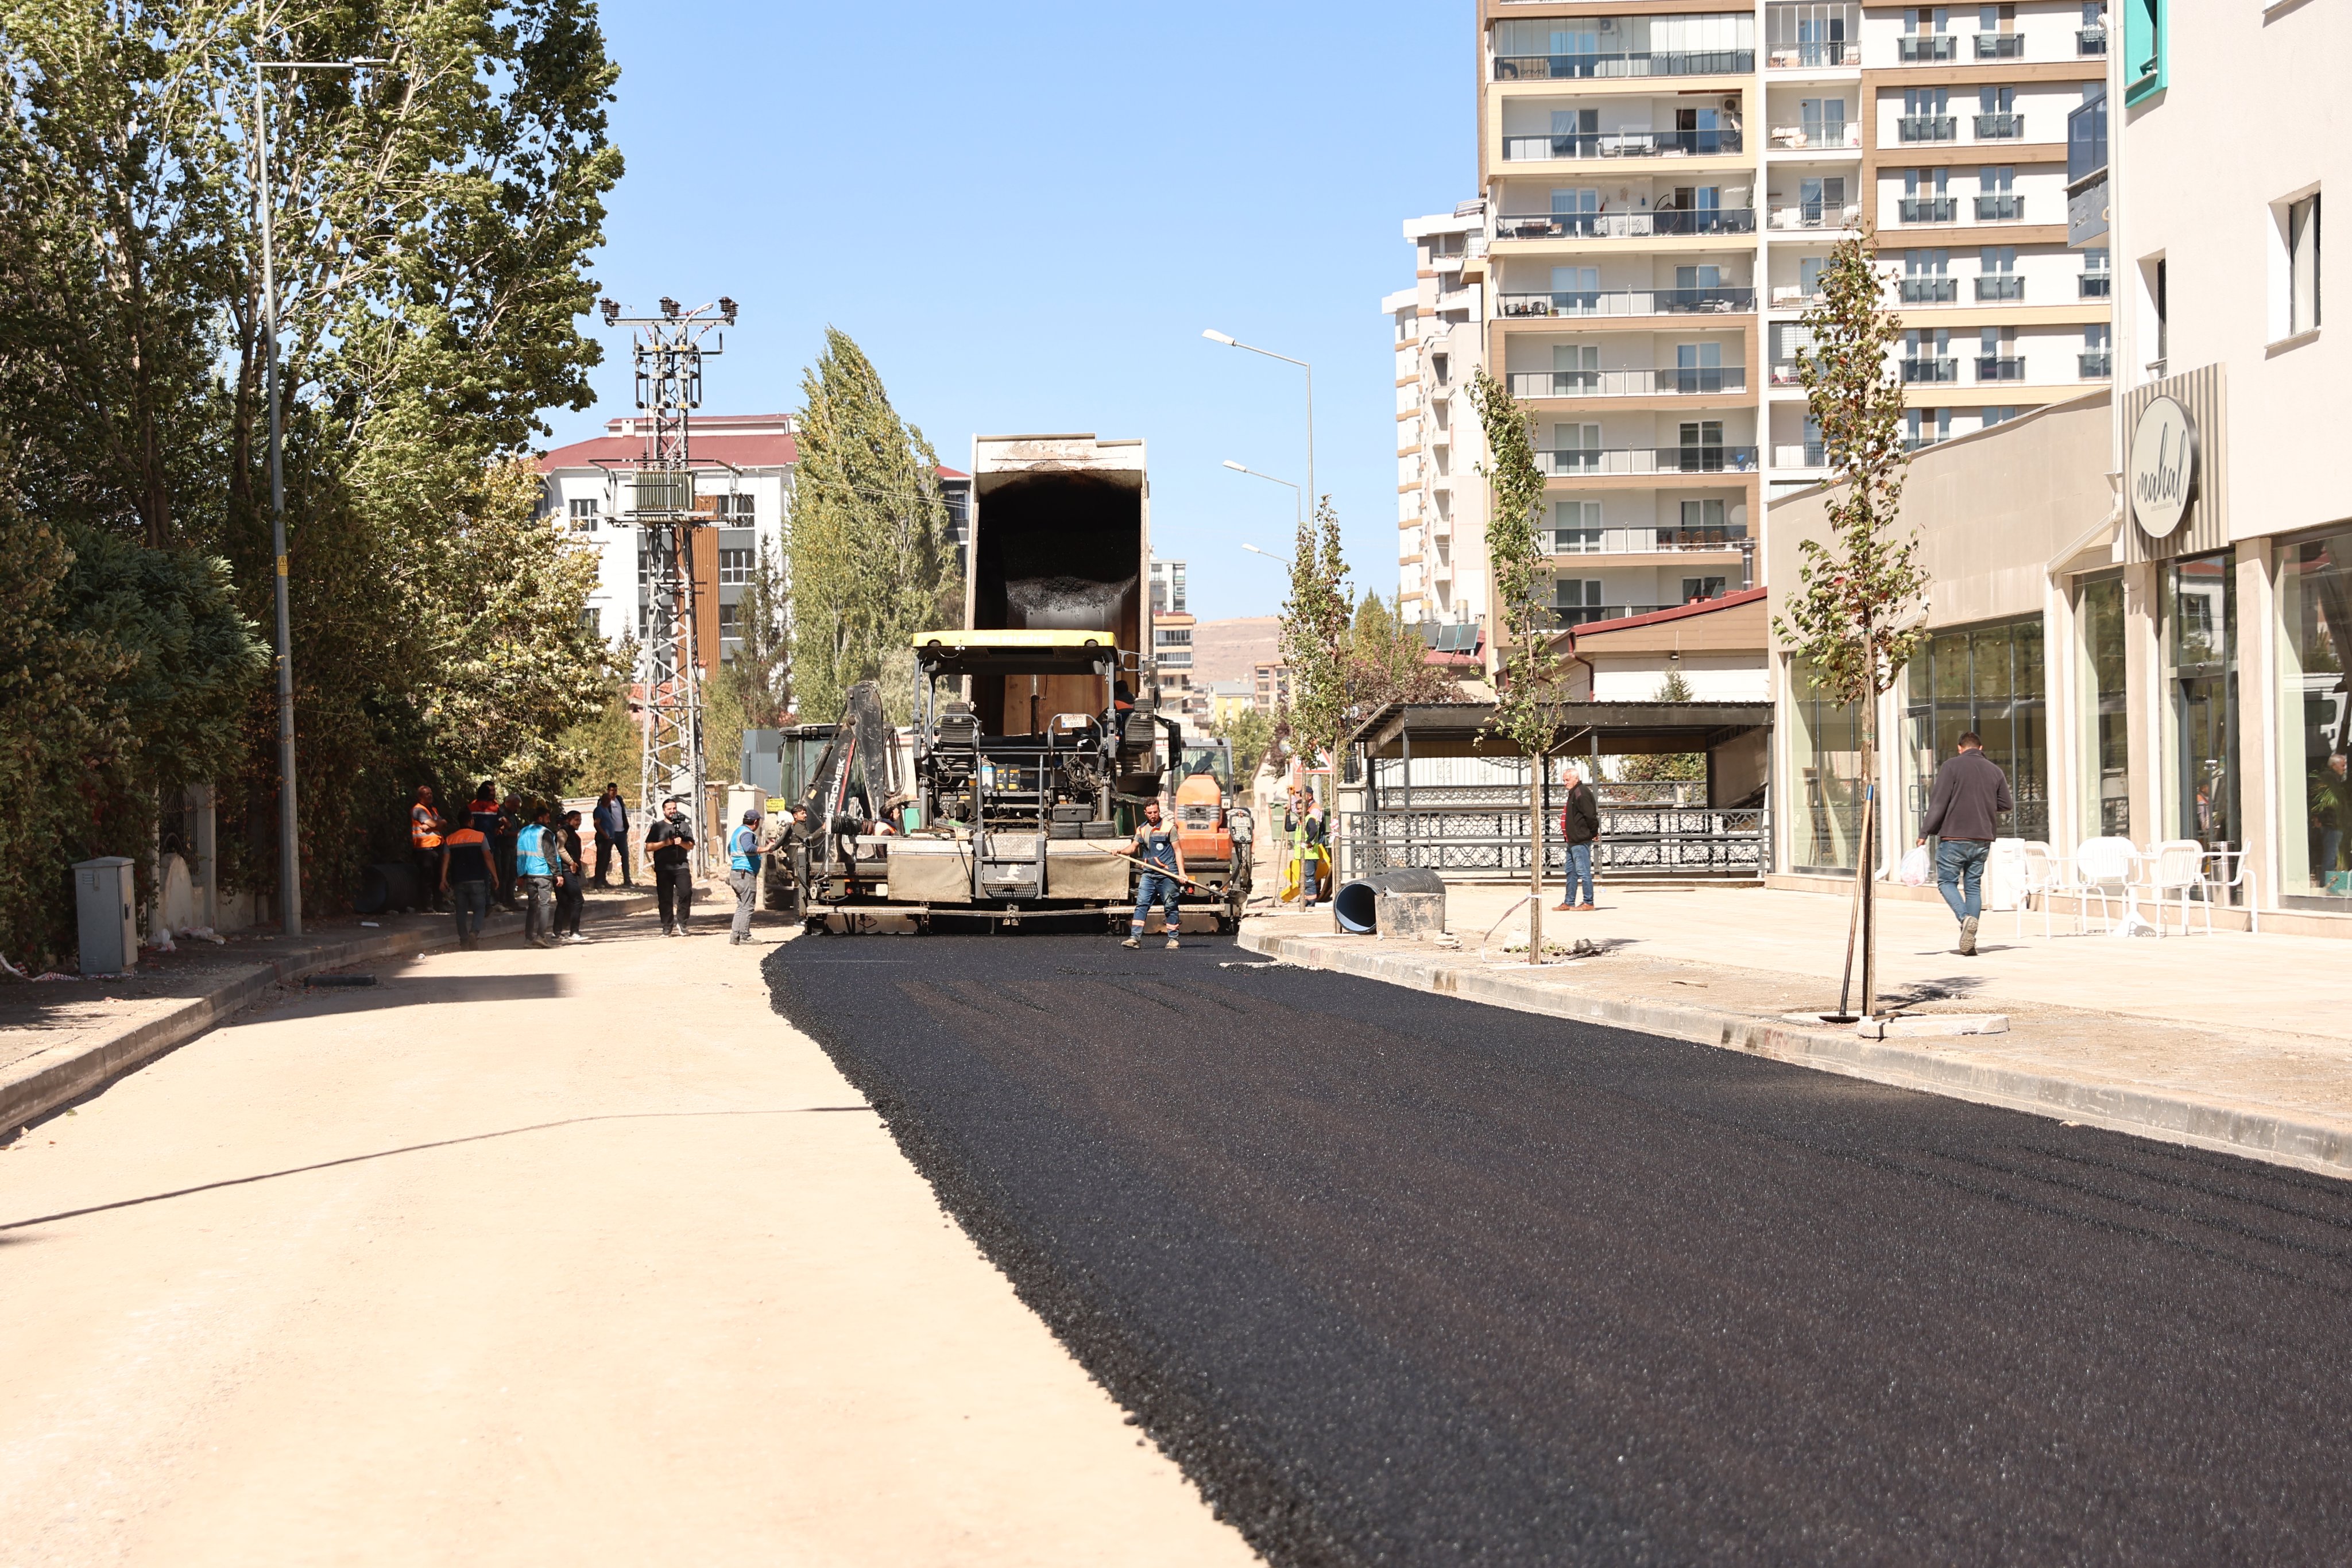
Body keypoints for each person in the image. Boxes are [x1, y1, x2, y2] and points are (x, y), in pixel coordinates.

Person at [1918, 730, 2014, 956]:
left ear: (1960, 748)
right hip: (1983, 838)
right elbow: (2006, 804)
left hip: (1954, 837)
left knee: (1946, 883)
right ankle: (1970, 942)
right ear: (1981, 748)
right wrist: (1985, 803)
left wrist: (1925, 832)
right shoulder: (1995, 770)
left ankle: (1965, 918)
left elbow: (1939, 802)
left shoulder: (1951, 766)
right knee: (1973, 886)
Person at [1124, 798, 1188, 951]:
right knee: (1141, 904)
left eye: (1156, 812)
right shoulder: (1142, 829)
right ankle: (1135, 938)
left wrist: (1182, 873)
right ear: (1145, 813)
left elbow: (1178, 851)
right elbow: (1133, 848)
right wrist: (1119, 851)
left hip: (1167, 874)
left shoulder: (1169, 828)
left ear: (1159, 811)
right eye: (1150, 813)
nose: (1153, 815)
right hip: (1149, 874)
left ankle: (1173, 939)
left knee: (1171, 906)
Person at [439, 817, 498, 950]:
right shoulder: (480, 837)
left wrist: (443, 879)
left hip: (459, 881)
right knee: (480, 908)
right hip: (477, 879)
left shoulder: (450, 839)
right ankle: (474, 932)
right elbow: (488, 857)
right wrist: (495, 876)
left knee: (461, 911)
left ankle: (464, 940)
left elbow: (445, 860)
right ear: (471, 821)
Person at [645, 795, 697, 935]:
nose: (673, 811)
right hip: (663, 867)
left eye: (674, 808)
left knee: (686, 892)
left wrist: (681, 842)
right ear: (664, 811)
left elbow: (691, 845)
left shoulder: (684, 825)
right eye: (669, 809)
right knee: (665, 898)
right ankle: (667, 926)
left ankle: (682, 923)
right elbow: (649, 847)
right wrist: (665, 843)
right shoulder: (657, 827)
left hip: (681, 865)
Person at [514, 804, 565, 948]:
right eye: (547, 818)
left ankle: (528, 939)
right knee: (544, 905)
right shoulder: (545, 833)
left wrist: (520, 874)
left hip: (529, 874)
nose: (549, 821)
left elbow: (519, 855)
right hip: (543, 874)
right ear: (541, 818)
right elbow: (550, 855)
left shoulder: (523, 832)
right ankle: (541, 936)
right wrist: (558, 874)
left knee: (532, 906)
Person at [1553, 762, 1601, 912]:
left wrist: (1593, 833)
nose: (1565, 783)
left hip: (1580, 840)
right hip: (1572, 840)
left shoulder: (1581, 793)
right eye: (1564, 780)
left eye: (1567, 780)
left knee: (1583, 871)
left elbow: (1591, 816)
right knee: (1571, 872)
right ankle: (1569, 902)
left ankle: (1588, 902)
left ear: (1576, 779)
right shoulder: (1574, 792)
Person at [728, 808, 768, 944]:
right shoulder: (747, 834)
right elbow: (748, 848)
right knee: (748, 906)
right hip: (745, 873)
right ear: (756, 822)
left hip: (737, 872)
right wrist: (766, 849)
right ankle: (745, 936)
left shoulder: (737, 832)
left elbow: (730, 849)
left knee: (741, 906)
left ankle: (735, 936)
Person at [1285, 790, 1328, 908]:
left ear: (1306, 809)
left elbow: (1314, 830)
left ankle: (1311, 903)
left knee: (1309, 879)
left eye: (1301, 809)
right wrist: (1288, 814)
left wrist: (1308, 842)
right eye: (1298, 809)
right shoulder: (1301, 821)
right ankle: (1305, 900)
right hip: (1301, 856)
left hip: (1309, 855)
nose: (1299, 811)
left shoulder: (1310, 819)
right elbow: (1288, 828)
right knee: (1305, 879)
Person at [409, 785, 447, 913]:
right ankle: (426, 905)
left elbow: (442, 823)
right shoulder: (418, 810)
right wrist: (435, 824)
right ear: (421, 797)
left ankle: (438, 904)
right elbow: (436, 824)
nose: (430, 796)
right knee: (426, 878)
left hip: (437, 846)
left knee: (438, 876)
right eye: (427, 794)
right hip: (424, 849)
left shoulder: (433, 810)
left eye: (431, 793)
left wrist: (433, 825)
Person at [554, 809, 589, 943]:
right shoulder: (564, 831)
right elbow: (560, 848)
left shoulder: (573, 834)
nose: (578, 823)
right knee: (578, 900)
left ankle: (557, 933)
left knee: (564, 901)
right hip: (565, 870)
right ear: (569, 820)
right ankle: (574, 932)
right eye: (576, 820)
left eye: (580, 820)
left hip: (566, 870)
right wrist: (571, 862)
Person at [593, 784, 629, 888]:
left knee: (623, 855)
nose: (614, 793)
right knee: (603, 859)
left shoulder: (619, 800)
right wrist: (605, 834)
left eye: (616, 790)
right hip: (605, 837)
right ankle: (599, 881)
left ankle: (627, 880)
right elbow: (597, 823)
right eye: (612, 791)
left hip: (620, 833)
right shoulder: (600, 809)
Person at [494, 792, 525, 910]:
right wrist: (517, 834)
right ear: (508, 803)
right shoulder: (501, 813)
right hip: (504, 847)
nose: (516, 809)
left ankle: (511, 900)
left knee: (512, 874)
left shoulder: (513, 815)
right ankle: (503, 900)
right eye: (515, 806)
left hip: (513, 847)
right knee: (505, 875)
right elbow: (503, 832)